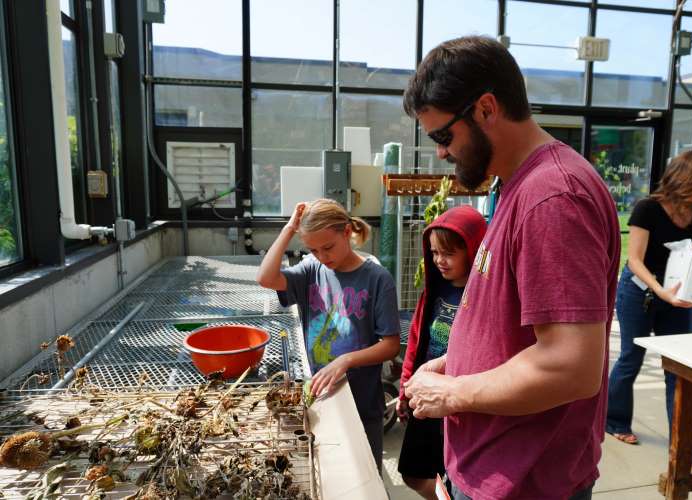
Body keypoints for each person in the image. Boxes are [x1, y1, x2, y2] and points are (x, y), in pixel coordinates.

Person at [401, 36, 621, 500]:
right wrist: (449, 365)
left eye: (444, 136)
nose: (441, 152)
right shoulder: (516, 185)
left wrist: (453, 393)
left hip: (525, 478)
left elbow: (569, 367)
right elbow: (509, 331)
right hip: (494, 464)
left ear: (485, 109)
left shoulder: (553, 198)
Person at [257, 198, 401, 472]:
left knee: (364, 474)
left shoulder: (377, 279)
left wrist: (345, 360)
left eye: (328, 247)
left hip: (363, 404)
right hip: (322, 398)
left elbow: (391, 345)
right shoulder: (313, 269)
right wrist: (289, 229)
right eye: (313, 249)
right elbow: (265, 278)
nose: (323, 256)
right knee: (331, 472)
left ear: (347, 232)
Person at [606, 150, 692, 463]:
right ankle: (614, 419)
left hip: (676, 296)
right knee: (631, 358)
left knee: (678, 370)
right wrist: (661, 292)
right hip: (640, 291)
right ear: (686, 178)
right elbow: (634, 260)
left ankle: (687, 449)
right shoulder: (648, 209)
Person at [397, 206, 487, 499]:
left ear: (472, 250)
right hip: (425, 396)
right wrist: (405, 388)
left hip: (457, 406)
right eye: (434, 253)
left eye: (448, 253)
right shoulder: (434, 291)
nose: (439, 261)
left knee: (454, 473)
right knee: (413, 472)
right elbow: (415, 344)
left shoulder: (484, 299)